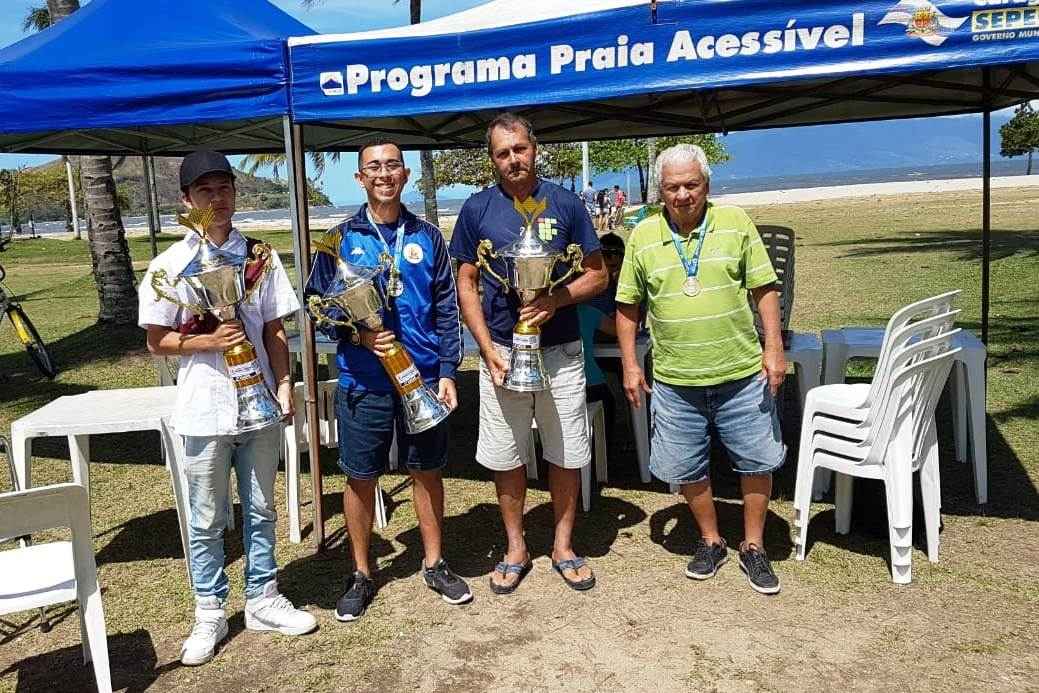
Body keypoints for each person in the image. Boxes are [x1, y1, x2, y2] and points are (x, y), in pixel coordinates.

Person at [139, 150, 317, 667]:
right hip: (203, 408)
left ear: (235, 193)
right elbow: (157, 340)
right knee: (206, 518)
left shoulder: (260, 255)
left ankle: (262, 598)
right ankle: (209, 610)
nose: (217, 199)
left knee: (261, 508)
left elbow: (275, 329)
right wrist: (210, 341)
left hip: (258, 403)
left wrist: (284, 383)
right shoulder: (171, 265)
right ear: (187, 200)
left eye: (224, 188)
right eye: (205, 191)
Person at [305, 139, 471, 622]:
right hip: (364, 382)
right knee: (360, 477)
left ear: (406, 175)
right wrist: (356, 335)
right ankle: (360, 572)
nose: (383, 174)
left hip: (420, 379)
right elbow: (316, 310)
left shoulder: (428, 236)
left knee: (428, 470)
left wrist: (447, 372)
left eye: (392, 166)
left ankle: (435, 563)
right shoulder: (337, 240)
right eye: (373, 167)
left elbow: (446, 307)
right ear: (359, 178)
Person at [615, 143, 787, 595]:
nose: (682, 195)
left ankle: (753, 545)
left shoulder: (734, 223)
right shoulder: (644, 236)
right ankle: (711, 539)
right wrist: (631, 364)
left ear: (706, 186)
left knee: (756, 460)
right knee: (685, 465)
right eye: (672, 187)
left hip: (740, 373)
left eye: (691, 185)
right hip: (675, 380)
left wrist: (774, 348)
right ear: (660, 192)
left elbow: (764, 289)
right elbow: (628, 307)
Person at [450, 113, 608, 593]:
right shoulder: (477, 209)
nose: (513, 159)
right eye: (502, 153)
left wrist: (555, 300)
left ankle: (562, 545)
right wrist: (483, 348)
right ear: (492, 159)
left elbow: (599, 274)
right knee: (506, 454)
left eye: (519, 149)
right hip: (501, 349)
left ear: (534, 148)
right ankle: (516, 546)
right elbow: (466, 284)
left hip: (559, 350)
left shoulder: (567, 203)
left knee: (565, 452)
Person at [578, 232, 626, 436]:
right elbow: (617, 327)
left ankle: (634, 426)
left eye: (618, 255)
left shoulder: (626, 286)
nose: (612, 259)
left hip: (613, 352)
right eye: (607, 254)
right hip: (592, 361)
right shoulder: (587, 294)